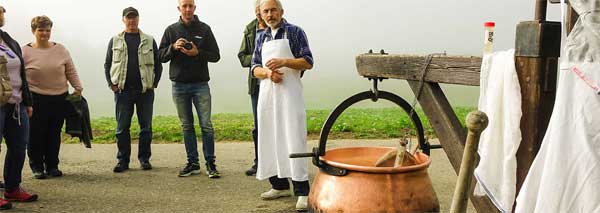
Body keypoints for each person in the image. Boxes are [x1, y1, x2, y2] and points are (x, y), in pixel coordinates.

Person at [251, 0, 314, 211]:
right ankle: (278, 185)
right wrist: (269, 74)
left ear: (281, 11)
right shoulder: (261, 36)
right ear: (261, 13)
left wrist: (284, 62)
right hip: (268, 94)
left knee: (293, 137)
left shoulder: (295, 32)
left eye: (273, 10)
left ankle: (302, 191)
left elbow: (308, 61)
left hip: (290, 93)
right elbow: (254, 68)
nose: (270, 14)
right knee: (269, 136)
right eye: (266, 11)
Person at [159, 0, 221, 178]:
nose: (187, 9)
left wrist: (197, 53)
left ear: (194, 8)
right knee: (187, 126)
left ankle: (210, 163)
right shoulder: (171, 30)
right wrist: (173, 47)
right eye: (184, 6)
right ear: (179, 8)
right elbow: (160, 56)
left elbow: (216, 55)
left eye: (190, 6)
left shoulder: (205, 29)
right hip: (179, 85)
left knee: (206, 126)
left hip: (200, 84)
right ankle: (193, 163)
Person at [22, 15, 83, 179]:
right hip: (36, 98)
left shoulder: (61, 49)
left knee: (54, 133)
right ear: (33, 31)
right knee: (36, 134)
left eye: (47, 30)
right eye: (41, 30)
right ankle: (37, 167)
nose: (44, 33)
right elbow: (19, 75)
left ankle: (52, 166)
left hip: (59, 98)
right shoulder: (25, 51)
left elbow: (70, 70)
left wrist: (78, 87)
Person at [104, 7, 162, 173]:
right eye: (128, 18)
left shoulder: (149, 40)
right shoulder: (115, 40)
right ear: (123, 20)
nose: (132, 21)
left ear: (138, 19)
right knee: (122, 128)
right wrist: (111, 84)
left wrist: (154, 82)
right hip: (123, 91)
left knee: (146, 128)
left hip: (145, 91)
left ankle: (144, 159)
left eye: (134, 17)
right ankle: (123, 161)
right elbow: (107, 64)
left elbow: (158, 64)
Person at [0, 6, 39, 210]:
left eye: (2, 13)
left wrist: (28, 101)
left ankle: (12, 188)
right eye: (0, 12)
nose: (2, 16)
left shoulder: (8, 39)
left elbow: (21, 73)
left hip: (16, 104)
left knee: (18, 146)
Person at [237, 0, 267, 176]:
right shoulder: (250, 29)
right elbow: (242, 57)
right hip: (256, 85)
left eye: (261, 10)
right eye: (257, 10)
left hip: (277, 83)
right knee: (258, 125)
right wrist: (257, 62)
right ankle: (259, 162)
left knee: (277, 125)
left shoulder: (284, 29)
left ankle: (281, 162)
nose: (259, 13)